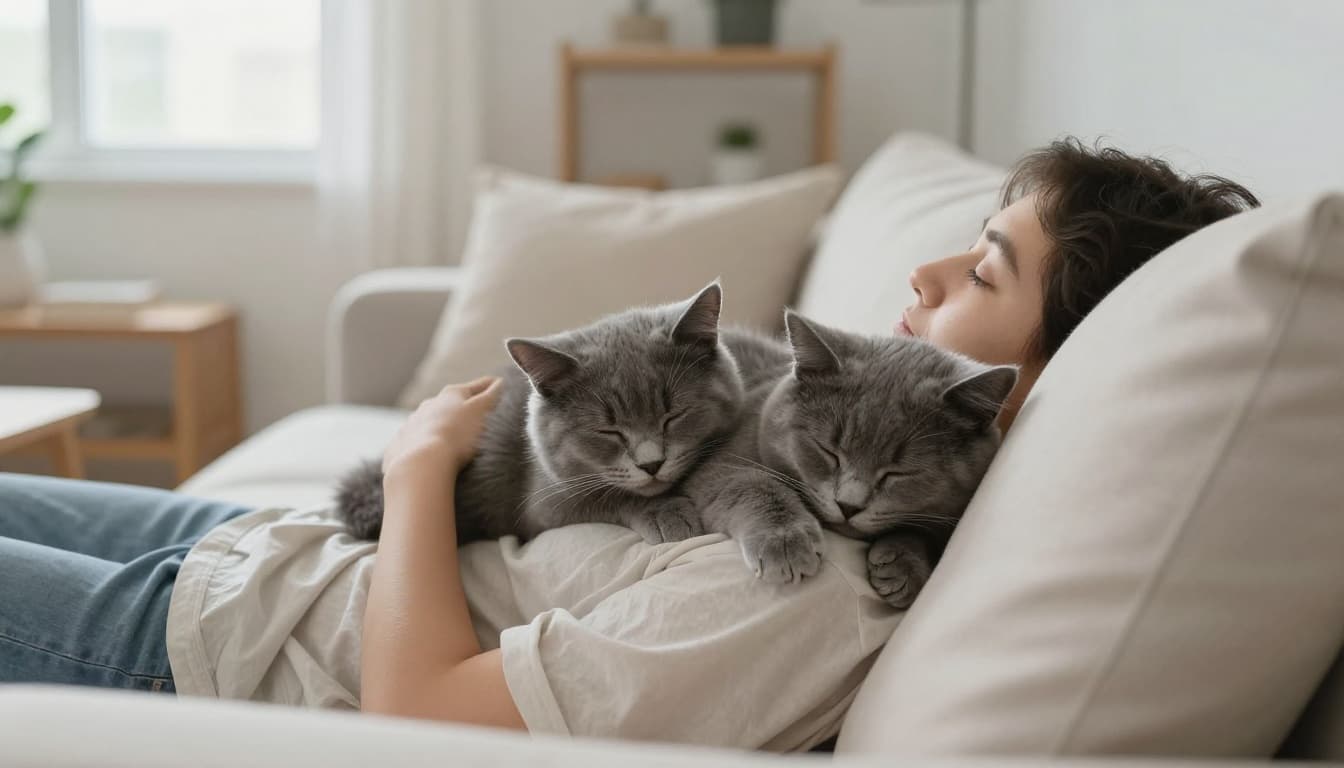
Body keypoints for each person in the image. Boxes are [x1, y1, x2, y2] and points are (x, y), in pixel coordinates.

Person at [0, 138, 1258, 750]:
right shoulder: (798, 448)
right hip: (266, 560)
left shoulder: (799, 582)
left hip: (227, 648)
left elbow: (417, 709)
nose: (925, 275)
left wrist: (416, 469)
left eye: (984, 268)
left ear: (1008, 389)